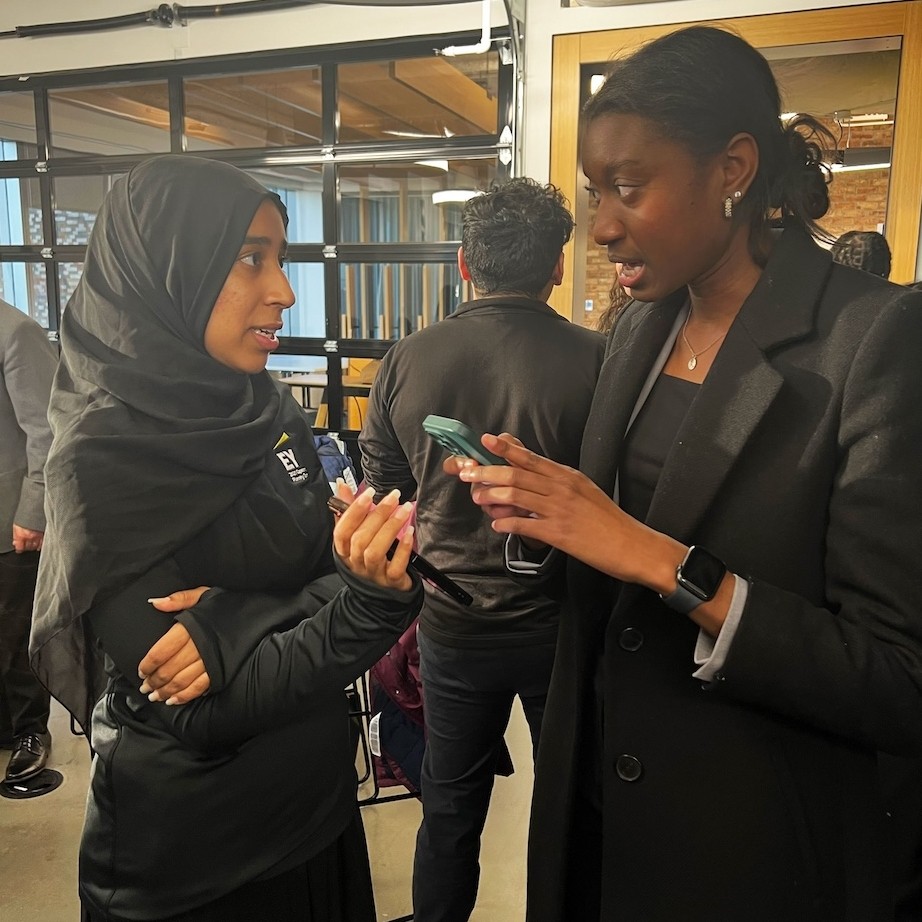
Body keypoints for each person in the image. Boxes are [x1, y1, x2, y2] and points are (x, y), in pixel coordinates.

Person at [449, 26, 922, 922]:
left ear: (732, 169)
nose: (602, 225)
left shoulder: (874, 341)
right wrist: (538, 513)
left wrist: (665, 562)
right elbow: (608, 577)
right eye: (596, 193)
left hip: (748, 842)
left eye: (629, 187)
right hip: (599, 810)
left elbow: (897, 679)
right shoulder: (640, 327)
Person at [29, 155, 424, 922]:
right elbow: (205, 713)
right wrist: (368, 605)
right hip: (197, 861)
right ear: (167, 271)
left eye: (280, 258)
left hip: (317, 811)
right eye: (250, 259)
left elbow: (328, 563)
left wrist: (235, 618)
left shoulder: (265, 410)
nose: (284, 290)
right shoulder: (100, 460)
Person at [359, 177, 605, 922]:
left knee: (450, 802)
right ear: (556, 266)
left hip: (451, 624)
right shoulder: (601, 360)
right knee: (572, 803)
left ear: (465, 264)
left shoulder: (407, 358)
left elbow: (384, 489)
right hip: (564, 626)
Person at [0, 298, 56, 785]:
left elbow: (47, 428)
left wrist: (33, 510)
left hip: (10, 519)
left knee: (14, 636)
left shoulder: (16, 331)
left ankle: (30, 732)